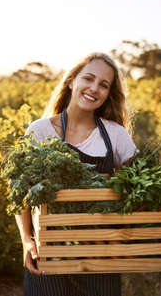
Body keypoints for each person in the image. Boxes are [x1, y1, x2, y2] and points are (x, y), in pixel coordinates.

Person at [15, 52, 137, 296]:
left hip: (100, 258)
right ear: (72, 81)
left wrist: (119, 235)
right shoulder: (39, 131)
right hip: (49, 256)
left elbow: (136, 189)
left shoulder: (116, 135)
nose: (94, 88)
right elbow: (20, 192)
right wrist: (28, 242)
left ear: (108, 94)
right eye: (88, 78)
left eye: (104, 85)